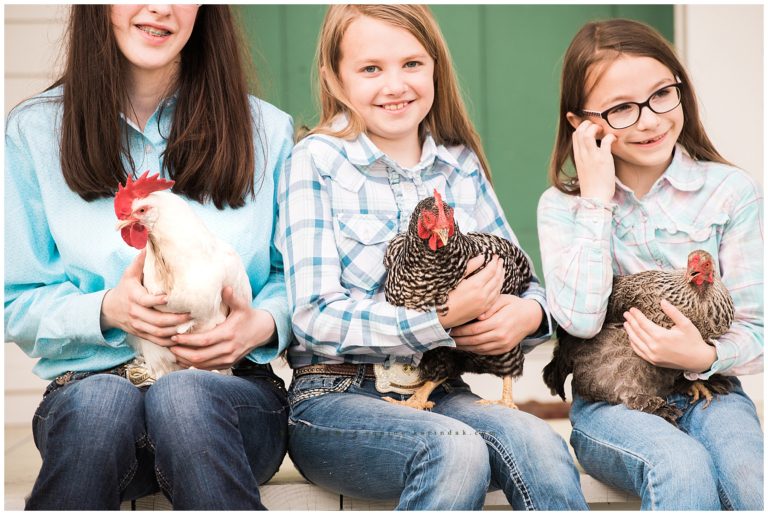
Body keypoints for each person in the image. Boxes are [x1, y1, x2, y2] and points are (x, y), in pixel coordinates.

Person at [278, 5, 588, 510]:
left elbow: (523, 279)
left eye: (412, 64)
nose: (395, 84)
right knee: (454, 450)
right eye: (371, 68)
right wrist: (440, 320)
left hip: (439, 389)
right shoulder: (317, 161)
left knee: (541, 445)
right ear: (334, 78)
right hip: (336, 396)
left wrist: (527, 316)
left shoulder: (458, 164)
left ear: (435, 67)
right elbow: (313, 317)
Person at [5, 5, 294, 510]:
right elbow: (15, 300)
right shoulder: (34, 132)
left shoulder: (266, 130)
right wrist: (106, 310)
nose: (159, 7)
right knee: (99, 404)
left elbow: (294, 278)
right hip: (92, 390)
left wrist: (260, 324)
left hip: (228, 393)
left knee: (184, 397)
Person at [537, 18, 763, 510]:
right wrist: (597, 199)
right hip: (613, 401)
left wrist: (702, 356)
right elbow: (579, 320)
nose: (649, 120)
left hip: (712, 389)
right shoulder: (563, 208)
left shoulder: (729, 192)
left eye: (662, 94)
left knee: (750, 482)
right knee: (679, 466)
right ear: (581, 124)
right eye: (621, 108)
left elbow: (757, 329)